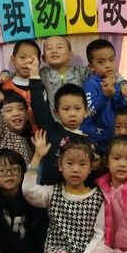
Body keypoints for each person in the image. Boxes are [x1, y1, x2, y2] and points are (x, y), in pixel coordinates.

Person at [22, 130, 106, 253]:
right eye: (69, 163)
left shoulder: (99, 197)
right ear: (60, 165)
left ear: (90, 167)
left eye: (82, 164)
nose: (75, 169)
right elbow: (29, 191)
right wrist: (37, 156)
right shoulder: (52, 192)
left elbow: (99, 234)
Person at [30, 52, 91, 185]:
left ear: (86, 112)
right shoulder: (51, 129)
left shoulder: (89, 141)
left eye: (77, 108)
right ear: (56, 113)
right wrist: (34, 75)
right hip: (50, 192)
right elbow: (38, 106)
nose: (72, 114)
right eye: (66, 109)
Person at [39, 35, 127, 120]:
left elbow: (108, 73)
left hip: (80, 121)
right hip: (55, 122)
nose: (54, 51)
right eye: (49, 48)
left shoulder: (81, 71)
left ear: (70, 55)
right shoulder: (42, 73)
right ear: (44, 58)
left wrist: (123, 84)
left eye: (59, 47)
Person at [80, 38, 127, 153]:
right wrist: (105, 96)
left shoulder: (116, 82)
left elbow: (122, 108)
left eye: (111, 60)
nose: (108, 65)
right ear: (91, 67)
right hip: (93, 141)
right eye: (101, 62)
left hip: (113, 139)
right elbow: (91, 113)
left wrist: (115, 88)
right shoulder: (90, 84)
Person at [0, 80, 32, 164]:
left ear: (27, 115)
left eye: (21, 109)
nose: (16, 113)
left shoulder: (28, 141)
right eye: (9, 110)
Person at [0, 39, 43, 131]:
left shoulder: (40, 86)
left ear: (38, 64)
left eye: (32, 59)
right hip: (11, 136)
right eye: (22, 57)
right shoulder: (4, 85)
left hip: (39, 136)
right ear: (13, 60)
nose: (27, 62)